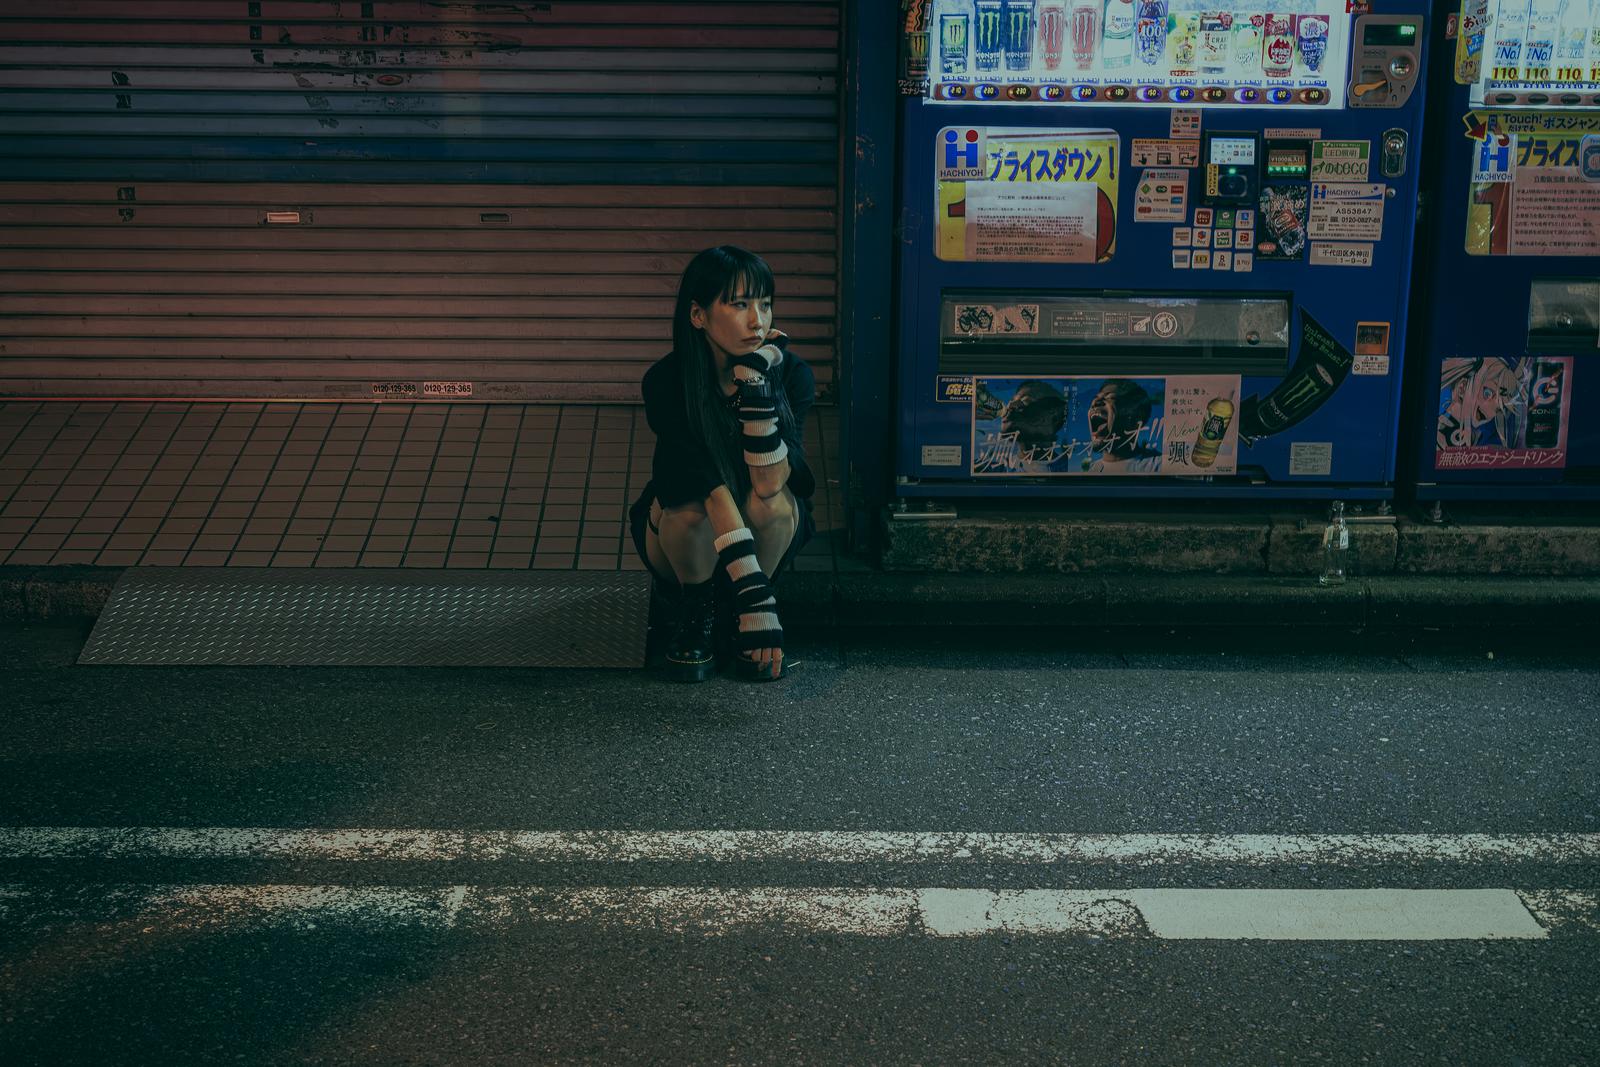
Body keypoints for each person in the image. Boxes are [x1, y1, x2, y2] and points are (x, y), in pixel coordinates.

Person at [629, 246, 816, 683]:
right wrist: (755, 596)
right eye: (739, 304)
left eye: (765, 304)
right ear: (698, 315)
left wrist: (755, 388)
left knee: (772, 504)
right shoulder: (667, 382)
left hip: (757, 524)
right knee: (690, 511)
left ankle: (736, 615)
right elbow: (703, 484)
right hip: (684, 524)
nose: (758, 321)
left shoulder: (791, 375)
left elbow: (771, 484)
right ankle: (697, 612)